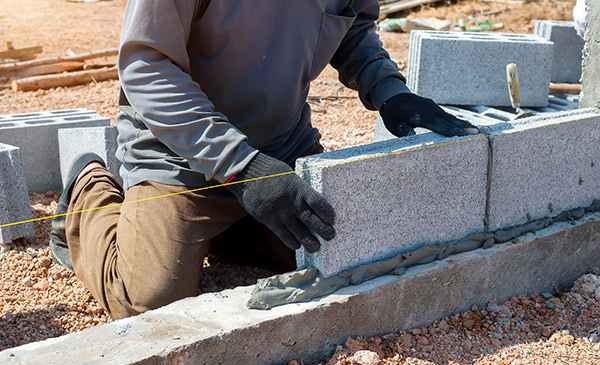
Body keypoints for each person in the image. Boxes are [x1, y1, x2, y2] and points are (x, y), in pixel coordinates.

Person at [49, 0, 478, 319]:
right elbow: (147, 63)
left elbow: (353, 27)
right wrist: (243, 168)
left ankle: (228, 231)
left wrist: (391, 91)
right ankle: (87, 191)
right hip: (181, 156)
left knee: (349, 255)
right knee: (150, 301)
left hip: (282, 149)